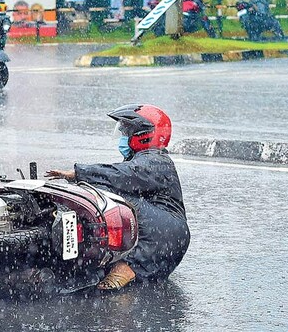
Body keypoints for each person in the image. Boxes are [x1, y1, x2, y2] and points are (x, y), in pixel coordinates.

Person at [46, 104, 190, 290]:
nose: (122, 137)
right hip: (161, 247)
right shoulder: (143, 159)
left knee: (110, 196)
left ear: (144, 134)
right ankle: (125, 266)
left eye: (127, 131)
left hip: (167, 234)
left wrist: (78, 173)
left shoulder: (157, 161)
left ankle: (128, 267)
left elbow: (122, 175)